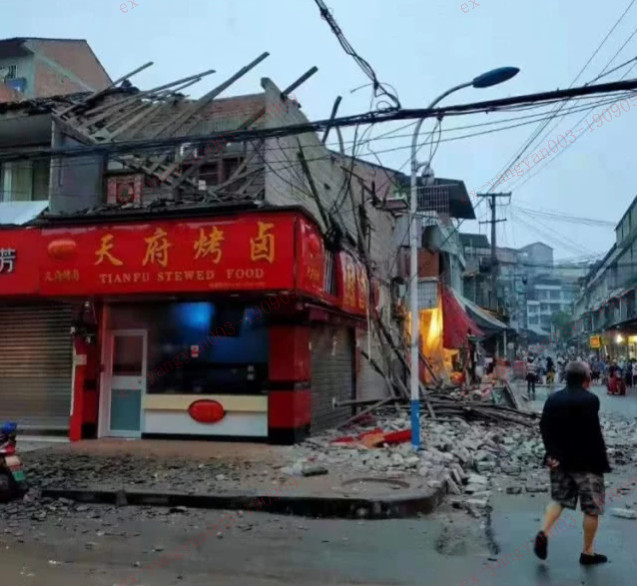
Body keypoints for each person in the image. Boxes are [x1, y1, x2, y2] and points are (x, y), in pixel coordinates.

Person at [534, 361, 611, 566]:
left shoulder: (553, 399)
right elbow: (592, 433)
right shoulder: (591, 400)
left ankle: (544, 532)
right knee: (592, 509)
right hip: (588, 462)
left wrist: (551, 454)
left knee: (559, 500)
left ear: (566, 377)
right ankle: (587, 552)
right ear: (586, 378)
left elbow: (544, 427)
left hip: (559, 461)